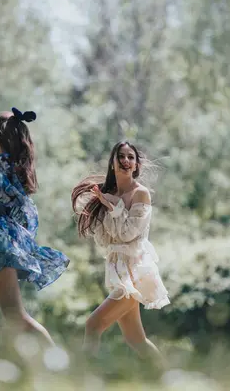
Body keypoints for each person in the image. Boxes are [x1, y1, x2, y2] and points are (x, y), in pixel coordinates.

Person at [0, 108, 70, 354]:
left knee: (15, 316)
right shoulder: (2, 163)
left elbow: (3, 185)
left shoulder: (7, 167)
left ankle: (58, 366)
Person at [71, 141, 170, 364]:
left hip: (135, 271)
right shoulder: (107, 194)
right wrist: (103, 204)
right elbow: (105, 239)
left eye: (130, 157)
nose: (126, 161)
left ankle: (86, 379)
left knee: (93, 325)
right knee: (136, 340)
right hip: (118, 268)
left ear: (136, 165)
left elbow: (126, 234)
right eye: (121, 157)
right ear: (112, 163)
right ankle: (167, 379)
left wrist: (112, 205)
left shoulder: (140, 194)